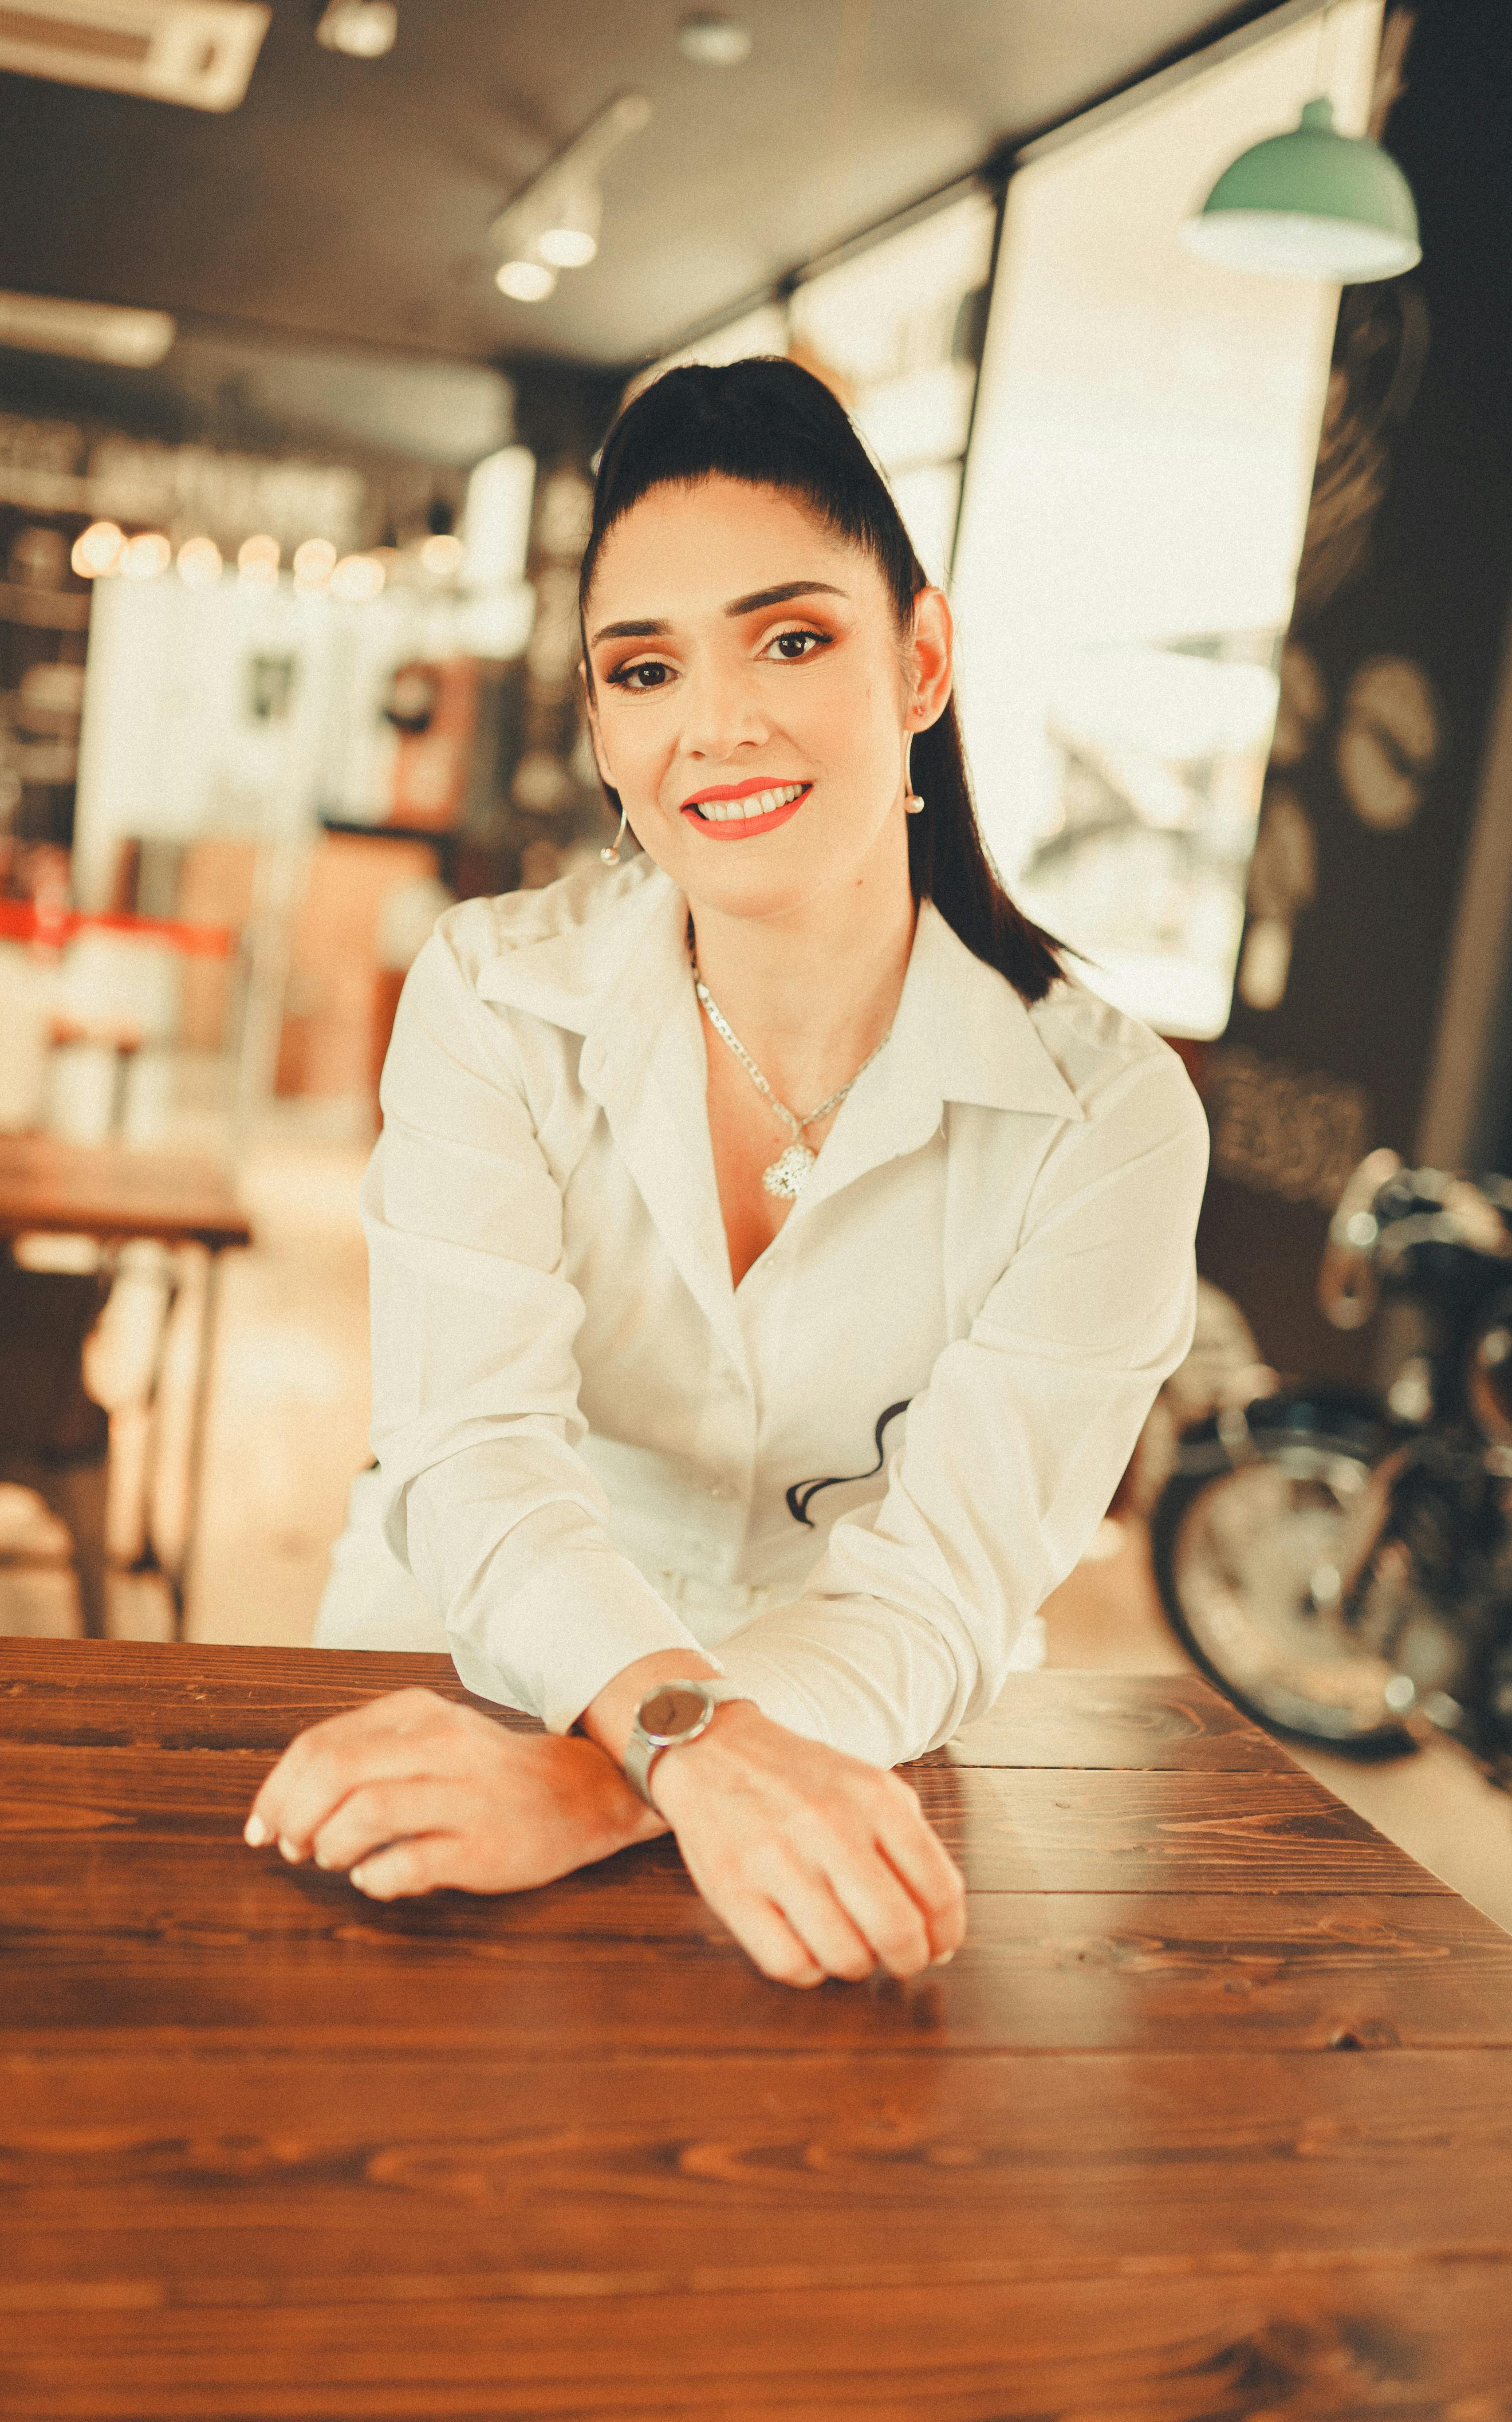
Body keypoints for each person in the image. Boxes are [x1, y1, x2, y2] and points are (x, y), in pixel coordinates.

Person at [244, 357, 1210, 1988]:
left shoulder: (1105, 1119)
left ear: (921, 661)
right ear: (604, 727)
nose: (717, 724)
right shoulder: (492, 995)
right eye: (647, 668)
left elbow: (947, 1580)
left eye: (792, 638)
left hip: (851, 1742)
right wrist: (681, 1749)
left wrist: (611, 1778)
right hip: (471, 1683)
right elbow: (472, 1448)